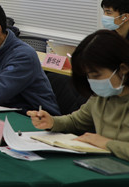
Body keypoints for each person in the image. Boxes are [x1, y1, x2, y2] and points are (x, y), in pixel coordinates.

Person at [28, 30, 129, 159]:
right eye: (88, 76)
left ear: (123, 69)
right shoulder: (100, 97)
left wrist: (107, 144)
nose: (92, 81)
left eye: (96, 75)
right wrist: (52, 122)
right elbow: (76, 121)